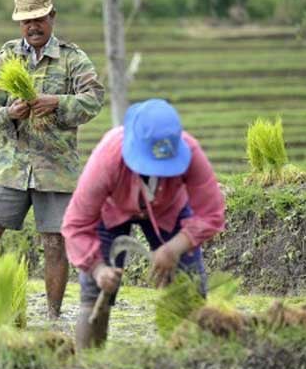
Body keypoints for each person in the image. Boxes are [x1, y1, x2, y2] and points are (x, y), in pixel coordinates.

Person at [0, 0, 104, 319]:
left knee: (55, 242)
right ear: (19, 24)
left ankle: (52, 315)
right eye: (26, 21)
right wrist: (7, 114)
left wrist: (58, 103)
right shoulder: (7, 56)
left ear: (52, 18)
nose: (33, 26)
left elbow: (93, 100)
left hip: (57, 167)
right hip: (11, 164)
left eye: (39, 19)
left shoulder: (73, 57)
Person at [61, 98, 225, 349]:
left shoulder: (190, 152)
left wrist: (174, 248)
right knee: (95, 292)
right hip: (112, 211)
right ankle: (88, 368)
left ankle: (190, 362)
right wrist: (97, 269)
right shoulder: (108, 158)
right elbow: (76, 224)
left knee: (190, 289)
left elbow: (211, 213)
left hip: (169, 210)